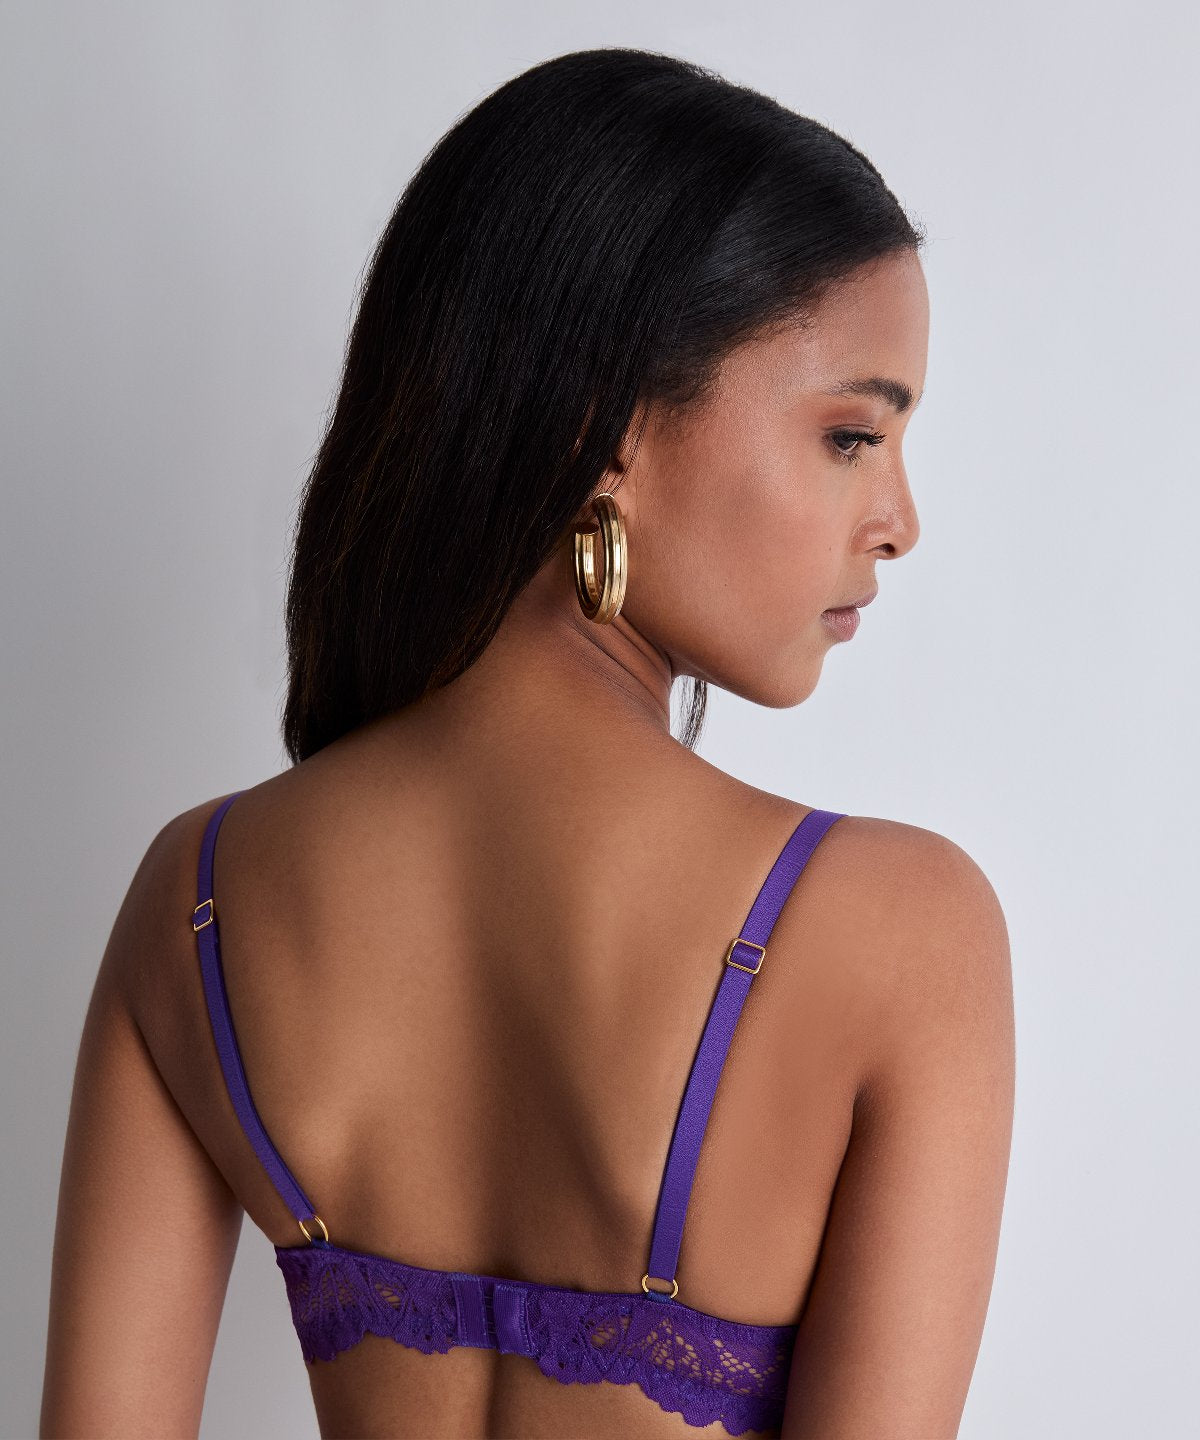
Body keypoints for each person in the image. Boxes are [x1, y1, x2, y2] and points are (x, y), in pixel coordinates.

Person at [39, 46, 1014, 1440]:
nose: (899, 522)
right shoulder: (904, 932)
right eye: (853, 435)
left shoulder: (196, 899)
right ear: (606, 427)